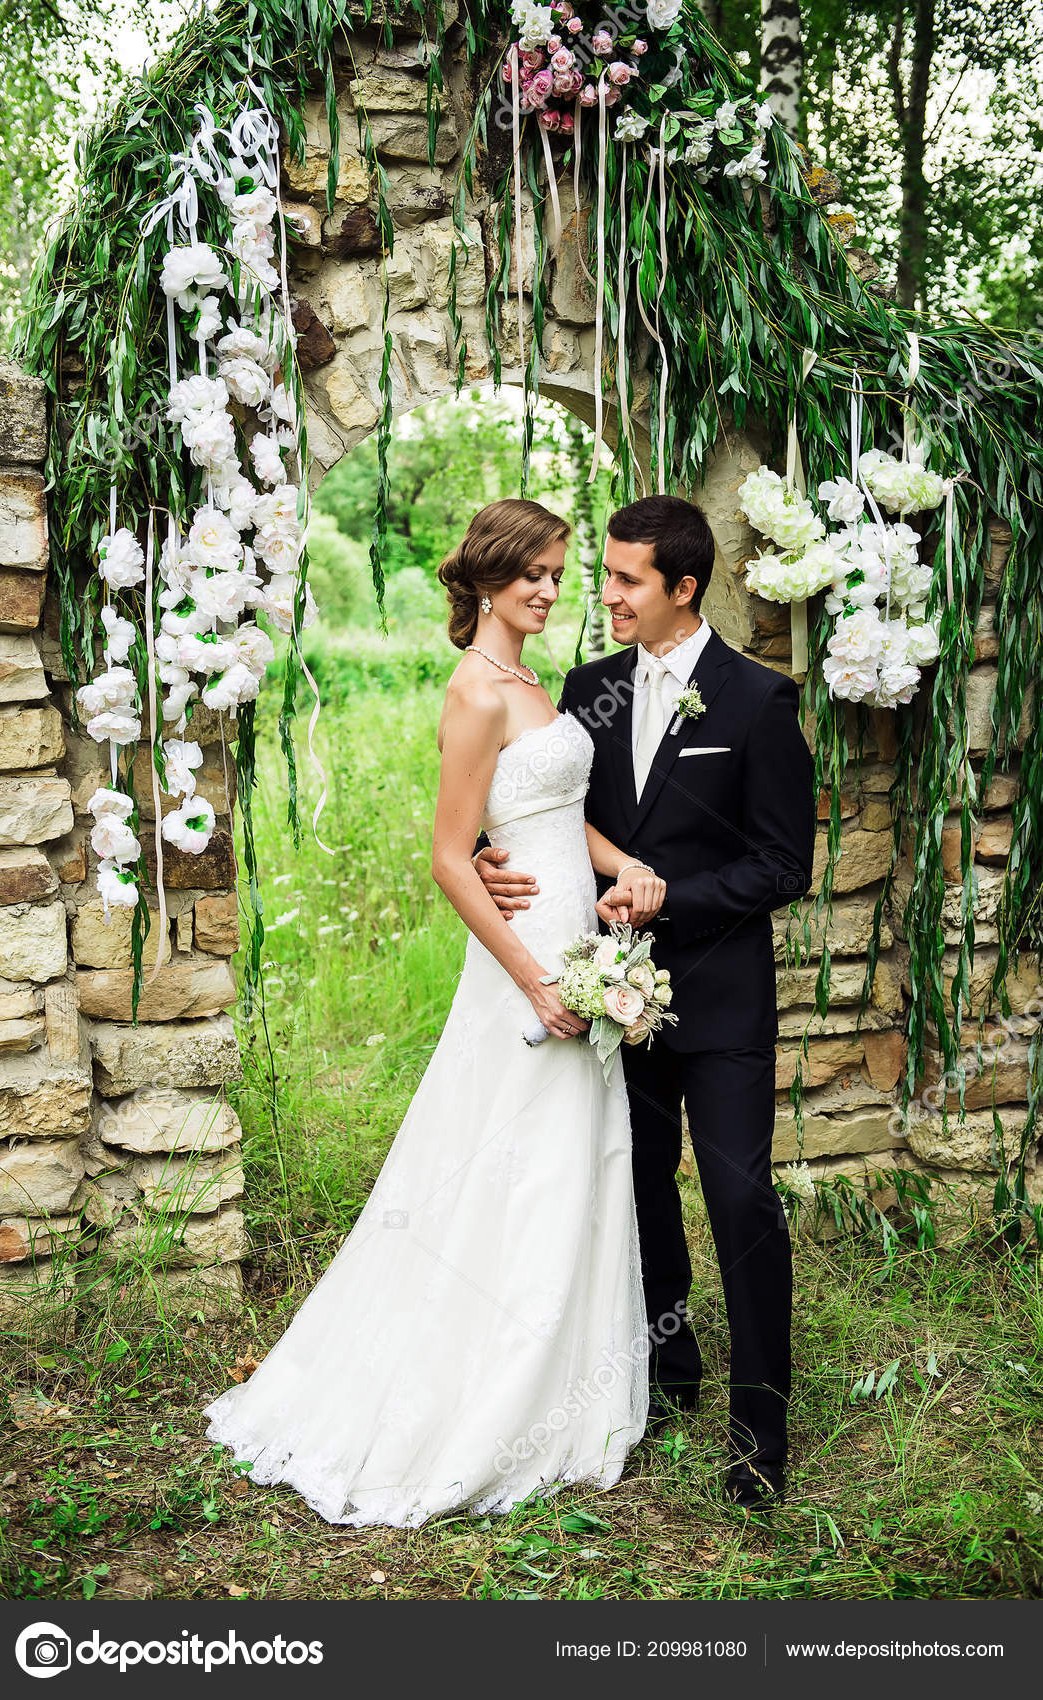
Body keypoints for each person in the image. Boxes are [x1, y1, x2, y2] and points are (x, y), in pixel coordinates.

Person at [203, 497, 665, 1529]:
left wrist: (620, 859)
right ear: (491, 578)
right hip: (526, 962)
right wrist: (535, 980)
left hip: (579, 940)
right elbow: (451, 854)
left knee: (574, 1156)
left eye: (558, 573)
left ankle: (564, 1394)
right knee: (510, 1156)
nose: (550, 590)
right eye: (533, 573)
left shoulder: (535, 682)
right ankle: (482, 1394)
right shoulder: (473, 689)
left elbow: (552, 813)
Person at [475, 494, 817, 1507]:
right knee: (637, 1186)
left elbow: (782, 863)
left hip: (718, 1004)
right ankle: (669, 1374)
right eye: (606, 574)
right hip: (606, 993)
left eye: (626, 579)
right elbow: (546, 813)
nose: (605, 594)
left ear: (682, 587)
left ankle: (761, 1426)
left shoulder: (758, 701)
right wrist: (496, 859)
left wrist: (671, 894)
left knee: (741, 1199)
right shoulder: (586, 689)